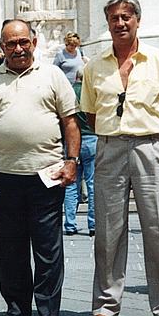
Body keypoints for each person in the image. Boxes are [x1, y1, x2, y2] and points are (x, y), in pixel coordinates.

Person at [80, 0, 159, 316]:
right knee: (108, 230)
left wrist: (145, 136)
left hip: (149, 147)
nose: (120, 23)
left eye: (126, 17)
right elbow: (91, 115)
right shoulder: (95, 66)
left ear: (138, 20)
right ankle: (106, 305)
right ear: (107, 23)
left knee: (157, 228)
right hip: (110, 148)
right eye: (114, 18)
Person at [0, 19, 79, 316]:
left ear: (34, 41)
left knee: (47, 248)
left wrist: (71, 161)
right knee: (10, 247)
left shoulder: (53, 75)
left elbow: (70, 122)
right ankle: (17, 307)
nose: (17, 49)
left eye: (23, 42)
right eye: (10, 44)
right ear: (1, 47)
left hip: (46, 174)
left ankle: (48, 310)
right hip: (4, 176)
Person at [63, 76, 97, 237]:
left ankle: (70, 224)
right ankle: (93, 225)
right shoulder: (90, 91)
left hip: (72, 141)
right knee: (92, 184)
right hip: (91, 138)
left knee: (71, 184)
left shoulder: (68, 92)